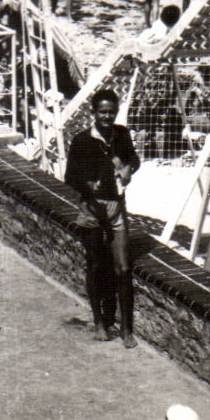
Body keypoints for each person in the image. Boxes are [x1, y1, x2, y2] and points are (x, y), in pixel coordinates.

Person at [64, 89, 141, 348]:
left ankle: (127, 330)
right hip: (92, 208)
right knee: (95, 265)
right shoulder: (82, 141)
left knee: (124, 268)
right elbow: (70, 177)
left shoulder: (121, 134)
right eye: (102, 112)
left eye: (111, 112)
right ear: (94, 113)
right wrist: (88, 186)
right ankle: (99, 323)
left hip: (116, 206)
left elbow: (134, 159)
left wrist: (128, 168)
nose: (107, 116)